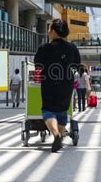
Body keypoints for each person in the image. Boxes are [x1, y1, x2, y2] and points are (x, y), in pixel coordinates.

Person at [34, 19, 81, 152]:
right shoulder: (72, 48)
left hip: (49, 81)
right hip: (66, 81)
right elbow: (77, 65)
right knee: (62, 110)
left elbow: (37, 63)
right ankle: (59, 135)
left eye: (49, 29)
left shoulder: (45, 47)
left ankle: (55, 134)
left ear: (54, 31)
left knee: (48, 110)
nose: (48, 32)